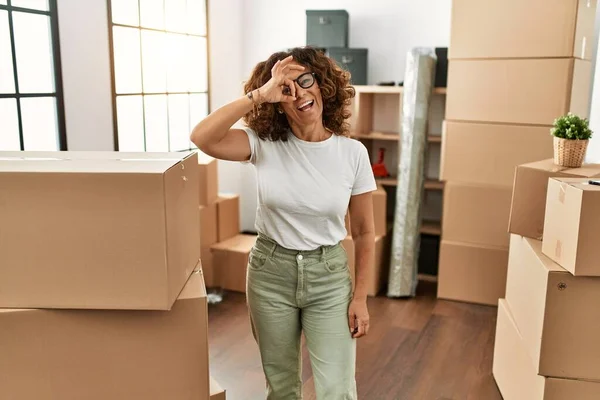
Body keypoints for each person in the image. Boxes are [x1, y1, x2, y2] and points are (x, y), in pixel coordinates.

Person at [190, 46, 376, 400]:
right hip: (270, 274)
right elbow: (202, 138)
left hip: (329, 278)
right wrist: (259, 94)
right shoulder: (263, 144)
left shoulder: (352, 154)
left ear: (323, 85)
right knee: (282, 387)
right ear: (277, 101)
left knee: (337, 389)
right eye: (286, 89)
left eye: (306, 81)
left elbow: (366, 232)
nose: (300, 94)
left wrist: (361, 298)